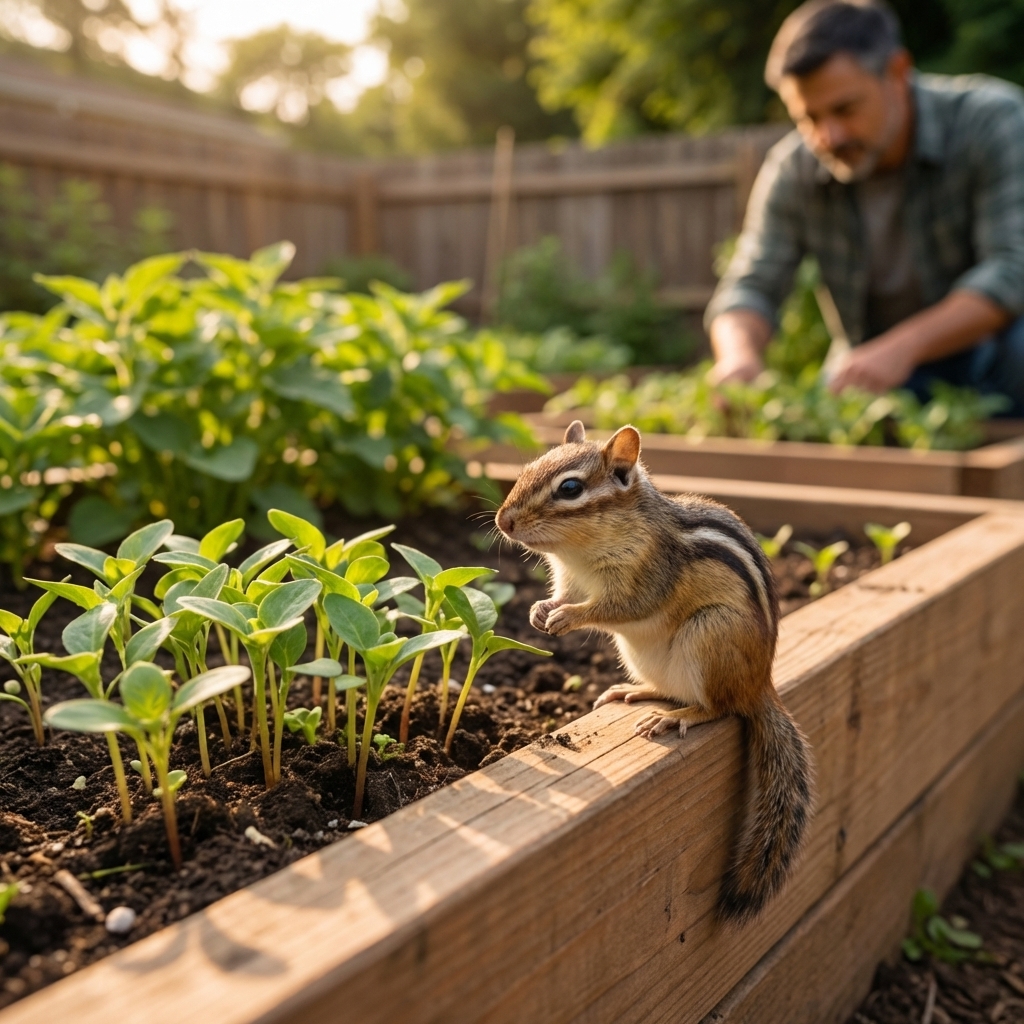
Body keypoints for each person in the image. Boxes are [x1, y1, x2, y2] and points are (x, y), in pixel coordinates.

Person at [705, 0, 1024, 413]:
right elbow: (750, 285)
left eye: (844, 110)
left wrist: (904, 347)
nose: (829, 136)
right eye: (808, 118)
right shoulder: (793, 168)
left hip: (993, 355)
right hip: (872, 372)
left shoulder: (988, 121)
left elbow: (1013, 268)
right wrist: (738, 357)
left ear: (897, 73)